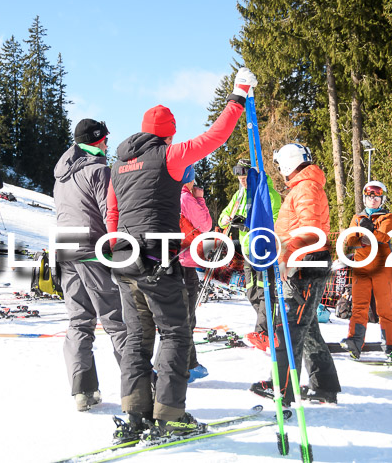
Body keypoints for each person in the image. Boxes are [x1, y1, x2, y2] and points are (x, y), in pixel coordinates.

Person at [106, 67, 257, 442]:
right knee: (176, 333)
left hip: (124, 259)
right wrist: (237, 98)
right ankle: (170, 416)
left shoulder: (118, 166)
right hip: (156, 259)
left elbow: (112, 214)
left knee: (137, 339)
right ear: (168, 132)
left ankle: (135, 416)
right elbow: (214, 137)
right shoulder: (169, 155)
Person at [250, 143, 341, 405]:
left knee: (289, 327)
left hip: (305, 264)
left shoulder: (306, 188)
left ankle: (282, 387)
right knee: (308, 329)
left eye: (280, 166)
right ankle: (325, 386)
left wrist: (288, 258)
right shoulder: (303, 187)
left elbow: (310, 231)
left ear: (290, 162)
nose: (279, 171)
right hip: (303, 262)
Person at [53, 118, 127, 412]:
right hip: (92, 252)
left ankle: (82, 391)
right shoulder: (99, 171)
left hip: (66, 250)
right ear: (97, 141)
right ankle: (138, 388)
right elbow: (110, 212)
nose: (108, 144)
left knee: (79, 321)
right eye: (105, 140)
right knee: (117, 320)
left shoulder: (62, 174)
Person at [218, 159, 281, 350]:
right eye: (240, 178)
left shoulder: (269, 194)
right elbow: (222, 219)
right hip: (247, 251)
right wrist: (228, 219)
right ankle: (271, 325)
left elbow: (275, 221)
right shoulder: (239, 195)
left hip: (264, 249)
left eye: (246, 178)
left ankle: (263, 332)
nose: (243, 181)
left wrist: (249, 224)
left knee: (264, 292)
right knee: (251, 291)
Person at [340, 181, 392, 358]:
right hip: (362, 268)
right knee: (359, 306)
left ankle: (390, 345)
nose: (373, 200)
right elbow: (350, 240)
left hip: (382, 268)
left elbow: (384, 236)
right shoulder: (357, 218)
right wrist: (365, 236)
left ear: (382, 199)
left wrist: (369, 232)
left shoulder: (388, 217)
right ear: (365, 199)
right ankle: (355, 342)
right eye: (369, 197)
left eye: (377, 197)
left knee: (385, 309)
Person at [178, 165, 212, 383]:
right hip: (185, 260)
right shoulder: (185, 198)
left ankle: (189, 363)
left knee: (179, 316)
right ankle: (185, 366)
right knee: (186, 317)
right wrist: (200, 199)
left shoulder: (165, 193)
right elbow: (206, 225)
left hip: (169, 258)